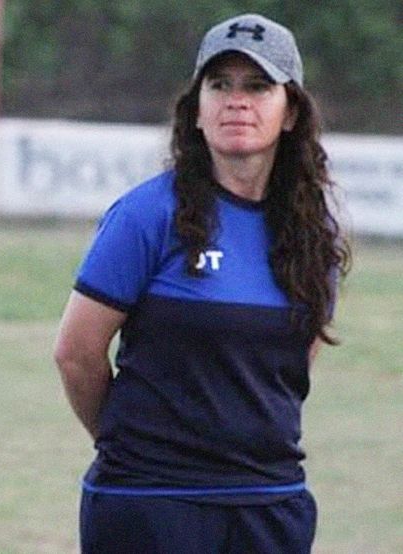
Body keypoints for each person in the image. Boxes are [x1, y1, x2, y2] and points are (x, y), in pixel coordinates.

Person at [54, 13, 350, 554]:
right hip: (151, 504)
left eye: (258, 86)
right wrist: (131, 447)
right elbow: (77, 353)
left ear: (290, 114)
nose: (237, 100)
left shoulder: (314, 234)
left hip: (270, 503)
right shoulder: (146, 215)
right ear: (196, 111)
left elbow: (289, 367)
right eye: (220, 85)